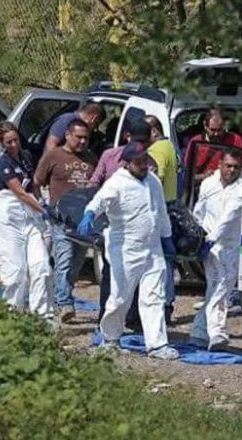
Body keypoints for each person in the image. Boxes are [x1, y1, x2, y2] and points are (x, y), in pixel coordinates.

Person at [78, 141, 179, 360]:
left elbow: (160, 212)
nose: (144, 166)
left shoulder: (153, 181)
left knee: (154, 296)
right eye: (139, 162)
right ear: (128, 163)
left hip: (153, 248)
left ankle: (157, 344)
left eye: (146, 161)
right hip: (125, 250)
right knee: (120, 297)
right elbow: (98, 202)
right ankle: (110, 338)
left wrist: (167, 237)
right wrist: (89, 215)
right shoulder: (117, 183)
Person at [0, 121, 54, 318]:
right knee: (16, 273)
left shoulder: (26, 158)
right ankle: (13, 315)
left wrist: (41, 201)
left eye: (16, 140)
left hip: (29, 214)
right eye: (9, 142)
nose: (14, 144)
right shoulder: (3, 164)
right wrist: (43, 210)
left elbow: (33, 186)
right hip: (8, 215)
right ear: (2, 144)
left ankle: (43, 317)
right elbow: (20, 192)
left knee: (41, 267)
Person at [90, 119, 155, 332]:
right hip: (114, 226)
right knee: (113, 279)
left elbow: (154, 196)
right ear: (127, 136)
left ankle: (134, 320)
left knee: (140, 281)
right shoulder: (111, 157)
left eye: (144, 142)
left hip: (141, 229)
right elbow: (95, 183)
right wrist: (91, 212)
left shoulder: (149, 163)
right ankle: (106, 324)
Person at [40, 119, 97, 323]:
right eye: (78, 137)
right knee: (63, 261)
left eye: (86, 138)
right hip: (60, 221)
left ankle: (61, 296)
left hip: (81, 223)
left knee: (76, 264)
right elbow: (37, 181)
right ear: (67, 135)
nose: (82, 141)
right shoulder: (53, 156)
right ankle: (63, 303)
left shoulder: (91, 158)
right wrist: (45, 207)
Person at [189, 149, 242, 351]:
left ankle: (199, 332)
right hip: (209, 245)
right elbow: (199, 211)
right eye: (228, 165)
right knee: (219, 287)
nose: (231, 170)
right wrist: (197, 236)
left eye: (236, 167)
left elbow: (230, 216)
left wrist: (211, 239)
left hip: (229, 246)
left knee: (218, 288)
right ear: (220, 164)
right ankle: (217, 334)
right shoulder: (208, 184)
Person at [144, 115, 182, 324]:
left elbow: (155, 178)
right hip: (171, 205)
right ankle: (166, 304)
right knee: (166, 259)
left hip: (160, 209)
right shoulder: (170, 146)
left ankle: (163, 306)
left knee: (160, 262)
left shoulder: (157, 150)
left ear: (154, 131)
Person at [34, 103, 105, 188]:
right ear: (94, 118)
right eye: (96, 125)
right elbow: (51, 144)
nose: (94, 129)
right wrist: (53, 171)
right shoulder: (68, 120)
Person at [183, 108, 242, 184]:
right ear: (205, 126)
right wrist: (203, 176)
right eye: (212, 130)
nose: (216, 134)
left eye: (219, 130)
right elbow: (186, 174)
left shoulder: (235, 140)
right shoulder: (195, 142)